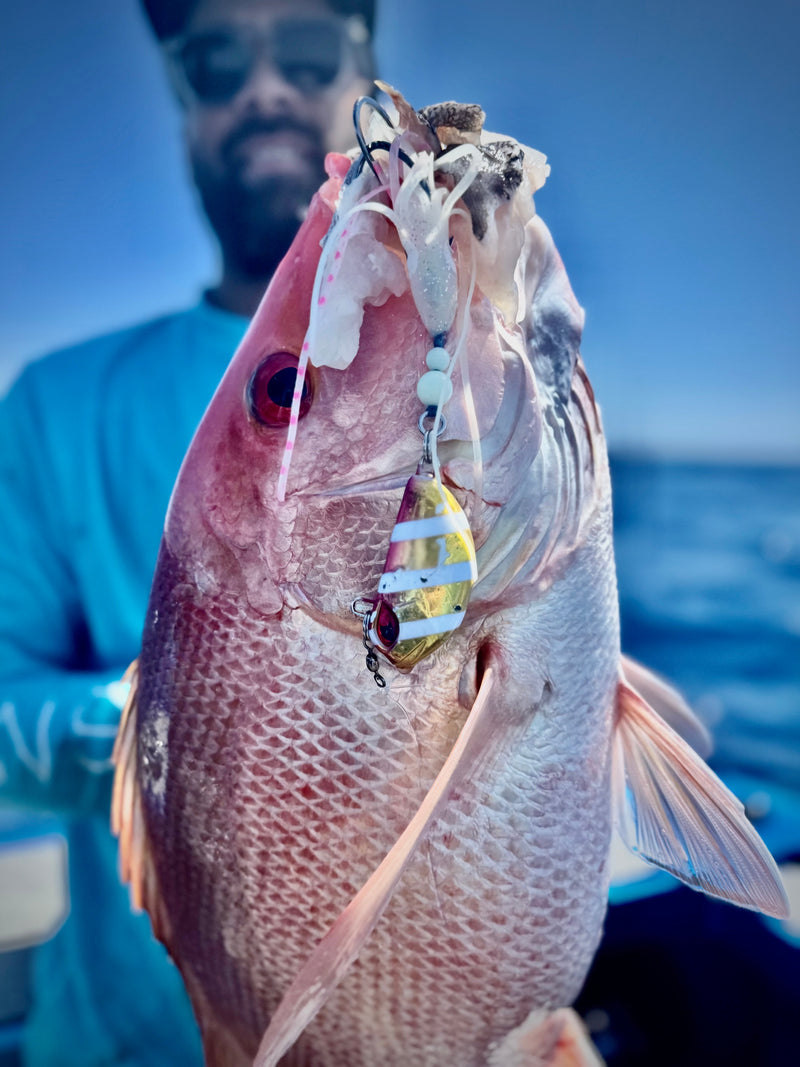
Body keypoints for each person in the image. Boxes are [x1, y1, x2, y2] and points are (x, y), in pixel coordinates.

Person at [0, 1, 375, 1063]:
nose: (261, 89)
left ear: (367, 71)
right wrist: (172, 722)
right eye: (214, 62)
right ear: (180, 104)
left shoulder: (482, 401)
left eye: (303, 54)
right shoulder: (54, 403)